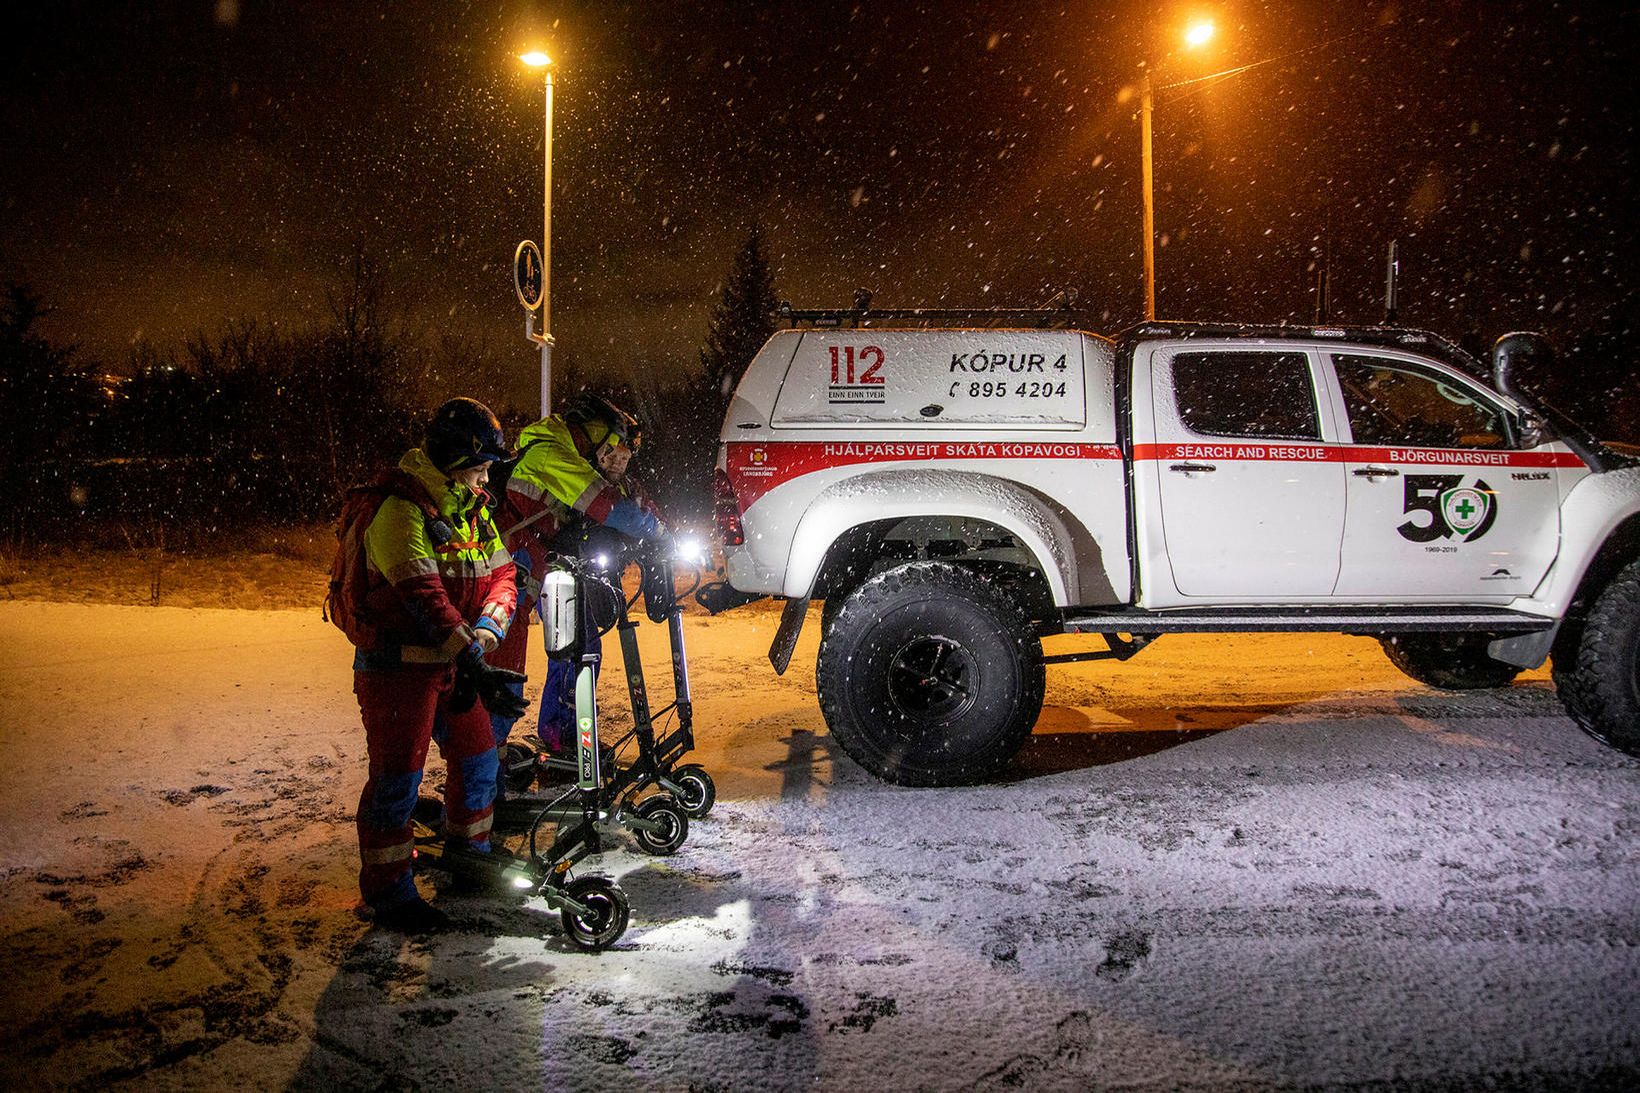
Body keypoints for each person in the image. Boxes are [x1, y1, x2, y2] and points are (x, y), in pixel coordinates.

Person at [351, 397, 526, 932]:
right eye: (481, 465)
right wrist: (474, 656)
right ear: (455, 459)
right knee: (397, 780)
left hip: (455, 666)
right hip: (397, 670)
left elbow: (504, 576)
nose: (486, 476)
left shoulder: (470, 507)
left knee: (478, 762)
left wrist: (490, 629)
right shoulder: (399, 509)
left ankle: (469, 859)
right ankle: (389, 892)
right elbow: (421, 597)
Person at [489, 393, 666, 779]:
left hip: (537, 567)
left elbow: (620, 499)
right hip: (509, 571)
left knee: (580, 645)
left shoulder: (564, 455)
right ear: (596, 432)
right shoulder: (552, 455)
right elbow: (609, 506)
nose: (613, 455)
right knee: (506, 667)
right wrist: (659, 533)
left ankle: (554, 739)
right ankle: (494, 769)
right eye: (612, 445)